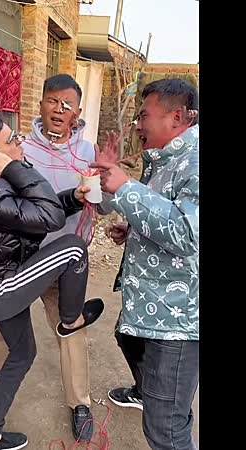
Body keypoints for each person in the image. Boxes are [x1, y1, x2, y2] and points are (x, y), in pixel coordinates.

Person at [0, 74, 110, 442]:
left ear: (78, 112)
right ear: (41, 103)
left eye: (67, 104)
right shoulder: (17, 148)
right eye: (52, 101)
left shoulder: (88, 151)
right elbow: (12, 204)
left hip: (64, 264)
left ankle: (79, 401)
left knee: (70, 329)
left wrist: (101, 190)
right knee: (1, 325)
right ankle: (0, 364)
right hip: (19, 257)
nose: (59, 110)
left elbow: (102, 204)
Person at [90, 79, 200, 450]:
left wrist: (125, 188)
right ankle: (150, 393)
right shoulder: (164, 158)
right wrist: (133, 225)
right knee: (127, 339)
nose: (138, 125)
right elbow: (160, 213)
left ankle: (163, 404)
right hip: (150, 305)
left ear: (177, 117)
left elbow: (188, 234)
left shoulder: (195, 160)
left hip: (178, 321)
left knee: (165, 431)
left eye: (144, 116)